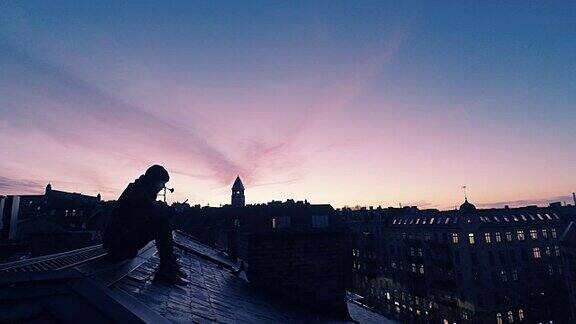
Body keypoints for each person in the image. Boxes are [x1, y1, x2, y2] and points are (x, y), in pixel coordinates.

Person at [103, 165, 188, 285]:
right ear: (153, 180)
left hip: (120, 242)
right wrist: (174, 210)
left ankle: (169, 265)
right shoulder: (138, 193)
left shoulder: (141, 190)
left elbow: (151, 212)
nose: (162, 187)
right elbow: (155, 213)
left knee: (162, 221)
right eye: (162, 183)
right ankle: (167, 268)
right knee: (162, 223)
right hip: (117, 246)